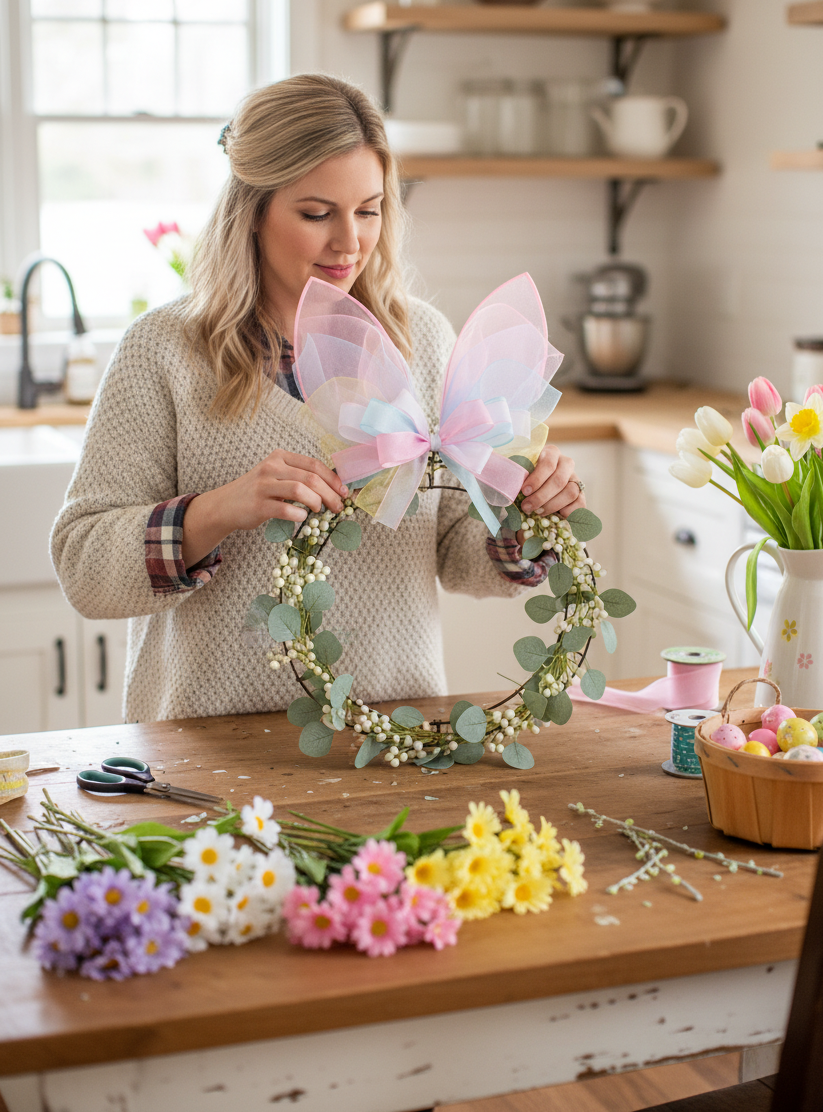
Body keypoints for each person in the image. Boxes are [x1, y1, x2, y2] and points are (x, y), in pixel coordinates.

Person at [51, 74, 586, 723]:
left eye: (369, 209)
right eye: (316, 213)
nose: (350, 242)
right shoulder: (163, 351)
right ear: (253, 211)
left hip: (396, 730)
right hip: (207, 739)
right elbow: (83, 565)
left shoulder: (424, 341)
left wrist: (525, 524)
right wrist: (218, 511)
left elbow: (456, 550)